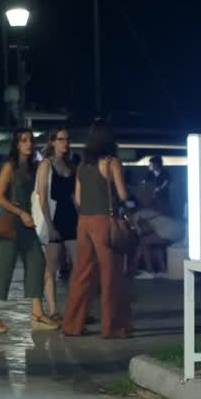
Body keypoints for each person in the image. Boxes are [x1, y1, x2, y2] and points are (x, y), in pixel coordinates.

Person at [61, 119, 133, 338]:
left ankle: (72, 325)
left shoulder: (83, 164)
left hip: (83, 223)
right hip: (104, 223)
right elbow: (122, 195)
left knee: (81, 274)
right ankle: (112, 327)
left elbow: (79, 199)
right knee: (110, 276)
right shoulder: (111, 162)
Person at [0, 129, 60, 334]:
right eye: (23, 141)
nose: (28, 144)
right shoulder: (10, 166)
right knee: (4, 268)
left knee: (37, 262)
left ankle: (37, 314)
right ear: (16, 145)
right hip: (10, 220)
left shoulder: (33, 167)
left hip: (27, 222)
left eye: (30, 140)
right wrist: (20, 212)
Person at [34, 128, 78, 319]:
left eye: (67, 139)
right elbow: (42, 198)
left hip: (71, 217)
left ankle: (75, 309)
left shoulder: (71, 165)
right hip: (54, 217)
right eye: (60, 139)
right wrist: (50, 226)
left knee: (79, 265)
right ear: (52, 142)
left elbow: (75, 197)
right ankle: (53, 310)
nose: (64, 143)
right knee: (51, 267)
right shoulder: (46, 164)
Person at [132, 190, 182, 279]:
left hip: (168, 230)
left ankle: (149, 272)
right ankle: (163, 271)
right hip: (178, 229)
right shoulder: (149, 210)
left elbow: (142, 233)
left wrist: (135, 262)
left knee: (144, 242)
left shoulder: (137, 215)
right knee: (156, 245)